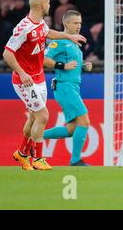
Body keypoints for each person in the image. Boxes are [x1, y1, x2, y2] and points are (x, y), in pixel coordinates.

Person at [3, 0, 86, 170]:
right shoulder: (23, 28)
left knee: (34, 117)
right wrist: (22, 73)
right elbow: (7, 53)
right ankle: (38, 159)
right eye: (48, 2)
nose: (50, 4)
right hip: (24, 80)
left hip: (39, 77)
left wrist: (69, 36)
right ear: (41, 5)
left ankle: (21, 153)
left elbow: (49, 33)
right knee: (43, 115)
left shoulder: (40, 23)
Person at [42, 10, 92, 166]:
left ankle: (36, 135)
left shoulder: (75, 43)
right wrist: (63, 65)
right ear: (66, 24)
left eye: (80, 23)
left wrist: (83, 67)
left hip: (72, 87)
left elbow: (72, 65)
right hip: (64, 87)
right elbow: (43, 59)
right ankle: (76, 160)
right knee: (84, 120)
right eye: (75, 23)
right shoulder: (59, 42)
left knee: (71, 129)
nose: (79, 26)